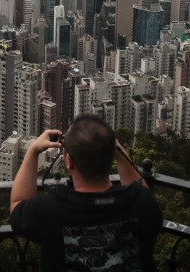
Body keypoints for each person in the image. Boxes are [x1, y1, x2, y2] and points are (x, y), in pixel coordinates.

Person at [9, 114, 163, 271]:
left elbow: (17, 204)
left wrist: (33, 150)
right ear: (112, 155)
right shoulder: (142, 203)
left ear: (68, 161)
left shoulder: (49, 210)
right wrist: (116, 150)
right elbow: (140, 190)